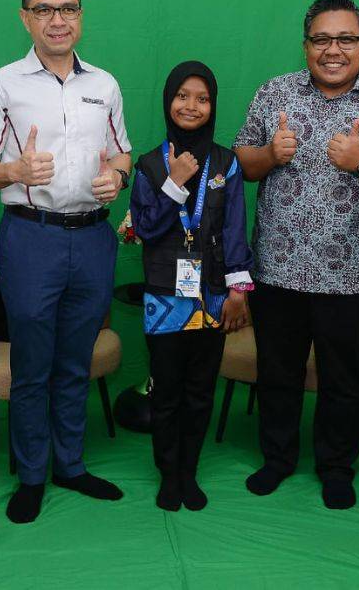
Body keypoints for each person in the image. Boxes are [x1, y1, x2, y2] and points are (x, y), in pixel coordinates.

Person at [234, 0, 359, 509]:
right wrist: (270, 154)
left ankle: (337, 467)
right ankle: (277, 459)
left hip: (353, 273)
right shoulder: (274, 93)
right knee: (278, 372)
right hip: (278, 267)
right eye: (322, 39)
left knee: (343, 379)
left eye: (345, 39)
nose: (333, 50)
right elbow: (242, 165)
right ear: (306, 45)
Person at [0, 0, 132, 524]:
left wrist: (118, 176)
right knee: (32, 364)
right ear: (25, 18)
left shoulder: (104, 85)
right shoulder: (1, 84)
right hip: (30, 237)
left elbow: (121, 154)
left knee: (74, 360)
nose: (58, 20)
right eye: (44, 10)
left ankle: (71, 466)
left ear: (81, 15)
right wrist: (14, 168)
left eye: (68, 8)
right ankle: (32, 474)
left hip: (92, 238)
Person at [129, 61, 253, 512]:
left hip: (214, 292)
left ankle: (189, 472)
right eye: (182, 96)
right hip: (164, 293)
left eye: (202, 98)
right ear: (168, 101)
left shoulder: (227, 163)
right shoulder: (147, 164)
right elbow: (144, 226)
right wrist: (174, 183)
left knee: (201, 390)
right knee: (167, 389)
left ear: (213, 105)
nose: (191, 106)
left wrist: (239, 287)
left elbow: (236, 225)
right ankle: (167, 473)